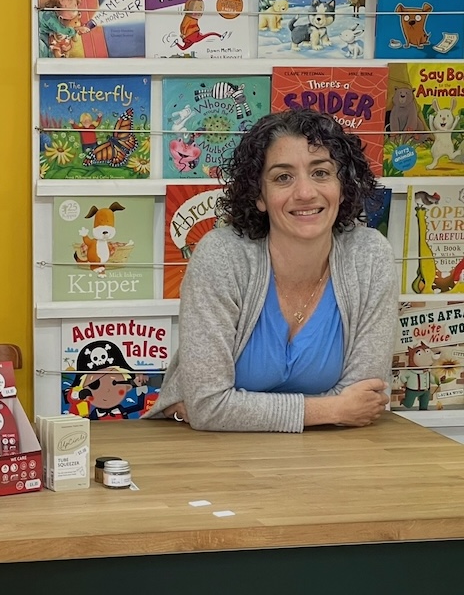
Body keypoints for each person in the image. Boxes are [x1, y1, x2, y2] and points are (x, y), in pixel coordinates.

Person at [146, 109, 397, 432]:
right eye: (283, 177)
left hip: (332, 456)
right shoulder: (222, 255)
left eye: (321, 173)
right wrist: (331, 408)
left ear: (344, 186)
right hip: (208, 457)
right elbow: (209, 405)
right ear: (259, 196)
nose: (305, 192)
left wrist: (237, 409)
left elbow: (365, 400)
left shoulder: (370, 255)